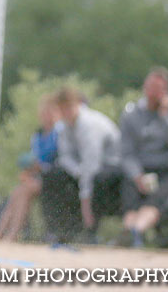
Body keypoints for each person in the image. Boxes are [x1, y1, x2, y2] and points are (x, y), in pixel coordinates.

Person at [41, 87, 123, 245]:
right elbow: (65, 157)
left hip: (109, 171)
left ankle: (91, 231)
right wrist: (77, 172)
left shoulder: (90, 125)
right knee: (52, 175)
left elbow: (92, 165)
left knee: (96, 180)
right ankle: (58, 230)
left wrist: (85, 198)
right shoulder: (65, 127)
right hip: (83, 170)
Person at [119, 67, 168, 247]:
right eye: (150, 88)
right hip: (140, 170)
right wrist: (137, 175)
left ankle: (137, 231)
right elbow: (127, 153)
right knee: (130, 195)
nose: (153, 94)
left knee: (157, 199)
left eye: (159, 90)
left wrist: (165, 117)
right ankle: (129, 232)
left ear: (167, 91)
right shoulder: (131, 115)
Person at [0, 93, 60, 242]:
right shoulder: (38, 135)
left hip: (54, 177)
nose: (46, 116)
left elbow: (56, 162)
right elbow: (34, 162)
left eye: (50, 113)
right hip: (39, 176)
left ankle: (12, 233)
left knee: (24, 191)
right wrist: (27, 173)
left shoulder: (59, 134)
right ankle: (0, 232)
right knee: (17, 192)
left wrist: (37, 168)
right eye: (44, 113)